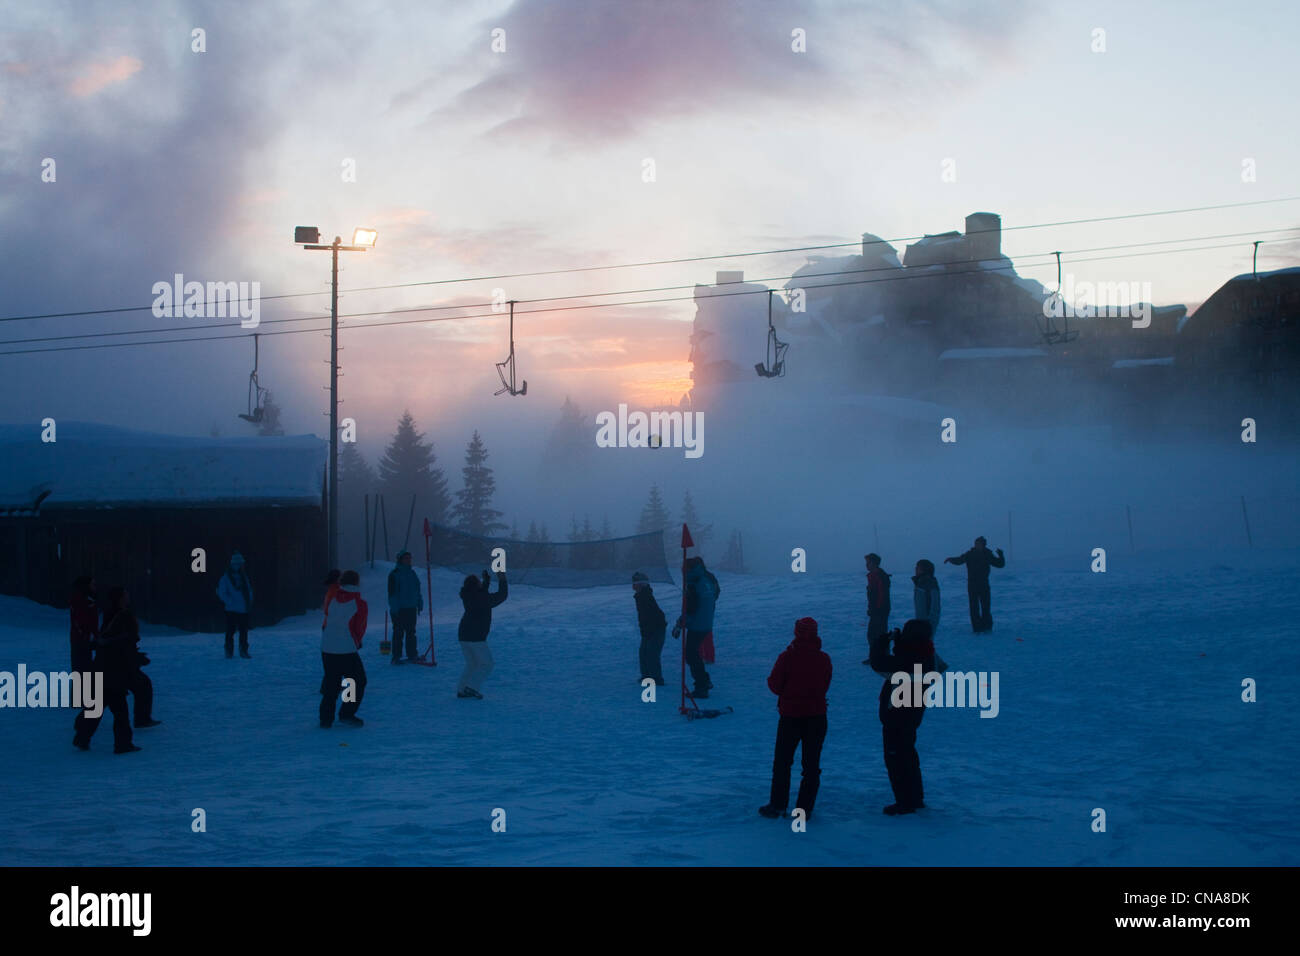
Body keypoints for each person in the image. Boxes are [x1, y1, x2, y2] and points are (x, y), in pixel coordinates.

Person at [759, 617, 832, 820]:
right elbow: (825, 684)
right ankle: (804, 808)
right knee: (811, 765)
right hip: (817, 715)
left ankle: (778, 804)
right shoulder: (823, 658)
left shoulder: (787, 657)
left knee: (783, 762)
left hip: (791, 716)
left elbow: (774, 685)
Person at [869, 619, 938, 815]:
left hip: (896, 716)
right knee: (908, 756)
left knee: (896, 759)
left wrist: (882, 642)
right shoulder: (926, 656)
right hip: (912, 715)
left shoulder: (908, 661)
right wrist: (900, 644)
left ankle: (904, 801)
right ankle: (915, 798)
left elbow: (878, 663)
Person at [72, 587, 142, 754]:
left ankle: (82, 737)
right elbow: (125, 641)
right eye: (125, 595)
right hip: (114, 670)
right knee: (120, 710)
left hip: (105, 668)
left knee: (99, 706)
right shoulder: (123, 616)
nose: (128, 597)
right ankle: (122, 744)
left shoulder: (112, 615)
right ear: (120, 599)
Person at [320, 569, 368, 728]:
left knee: (331, 682)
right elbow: (359, 627)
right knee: (356, 681)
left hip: (327, 646)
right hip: (346, 648)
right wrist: (356, 642)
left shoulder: (332, 596)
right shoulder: (359, 603)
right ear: (357, 583)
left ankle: (325, 719)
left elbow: (326, 614)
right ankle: (346, 713)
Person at [457, 569, 507, 699]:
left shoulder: (468, 595)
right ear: (475, 586)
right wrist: (502, 580)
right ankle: (471, 688)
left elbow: (480, 594)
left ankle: (462, 689)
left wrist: (486, 581)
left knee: (472, 664)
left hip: (463, 635)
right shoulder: (481, 598)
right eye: (479, 582)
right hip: (476, 636)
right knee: (487, 664)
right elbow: (501, 596)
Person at [677, 556, 718, 698]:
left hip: (697, 624)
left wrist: (680, 623)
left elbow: (691, 608)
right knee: (694, 654)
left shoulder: (694, 582)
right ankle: (704, 682)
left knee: (691, 655)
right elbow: (715, 593)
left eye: (684, 569)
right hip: (706, 621)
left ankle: (702, 685)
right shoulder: (706, 578)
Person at [944, 536, 1005, 632]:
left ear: (983, 545)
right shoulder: (970, 554)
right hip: (972, 584)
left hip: (984, 584)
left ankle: (987, 627)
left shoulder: (988, 554)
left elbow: (999, 564)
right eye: (976, 544)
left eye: (979, 544)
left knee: (985, 606)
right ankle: (977, 627)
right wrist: (950, 559)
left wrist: (1001, 555)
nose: (976, 545)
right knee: (974, 607)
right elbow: (960, 560)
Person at [387, 550, 424, 664]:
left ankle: (412, 654)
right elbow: (392, 594)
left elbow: (417, 589)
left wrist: (419, 601)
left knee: (411, 632)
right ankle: (396, 657)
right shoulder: (394, 574)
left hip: (411, 608)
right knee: (398, 633)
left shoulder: (412, 573)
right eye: (406, 558)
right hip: (399, 609)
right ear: (400, 560)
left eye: (410, 558)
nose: (409, 560)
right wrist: (395, 609)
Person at [216, 550, 254, 658]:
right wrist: (231, 602)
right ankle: (229, 651)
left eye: (240, 564)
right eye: (237, 564)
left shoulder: (244, 577)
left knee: (243, 632)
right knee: (230, 631)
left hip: (243, 609)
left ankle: (243, 651)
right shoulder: (226, 577)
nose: (239, 566)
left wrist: (249, 601)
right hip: (231, 610)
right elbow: (222, 592)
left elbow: (249, 590)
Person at [632, 571, 667, 685]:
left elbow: (654, 615)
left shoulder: (645, 596)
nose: (633, 586)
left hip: (656, 629)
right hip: (648, 629)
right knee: (644, 653)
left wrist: (650, 630)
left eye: (635, 583)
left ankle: (656, 678)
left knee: (652, 654)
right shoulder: (640, 596)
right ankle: (647, 676)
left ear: (641, 584)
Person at [863, 553, 891, 665]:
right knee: (874, 634)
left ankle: (882, 657)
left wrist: (875, 609)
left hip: (880, 610)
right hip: (877, 610)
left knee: (877, 634)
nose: (866, 565)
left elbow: (881, 595)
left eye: (868, 562)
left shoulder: (879, 576)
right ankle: (877, 656)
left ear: (874, 563)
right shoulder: (874, 576)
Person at [912, 559, 941, 638]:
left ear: (925, 570)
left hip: (927, 624)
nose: (915, 569)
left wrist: (930, 623)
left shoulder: (930, 584)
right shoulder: (920, 583)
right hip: (921, 623)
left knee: (926, 646)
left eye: (918, 567)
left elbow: (935, 607)